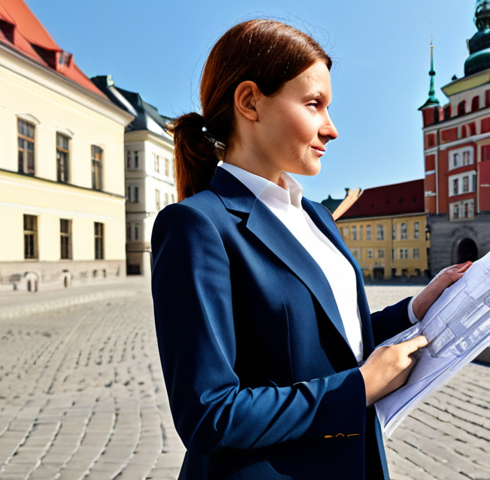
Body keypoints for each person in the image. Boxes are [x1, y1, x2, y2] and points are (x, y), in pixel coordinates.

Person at [150, 19, 470, 480]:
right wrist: (358, 389)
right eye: (314, 104)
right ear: (250, 102)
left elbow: (326, 339)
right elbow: (209, 416)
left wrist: (414, 309)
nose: (332, 128)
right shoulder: (197, 225)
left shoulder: (317, 216)